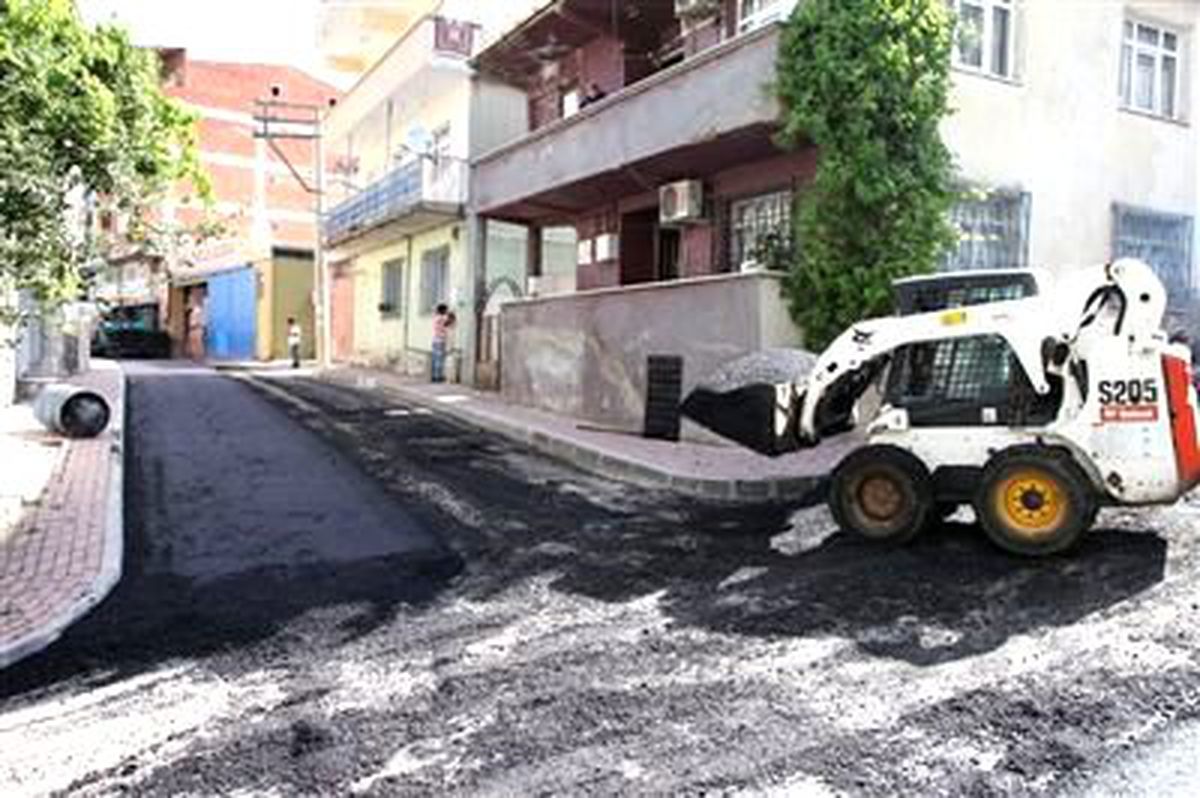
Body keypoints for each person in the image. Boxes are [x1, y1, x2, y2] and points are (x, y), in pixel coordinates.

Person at [431, 303, 456, 383]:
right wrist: (452, 316)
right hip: (440, 340)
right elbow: (449, 323)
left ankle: (434, 376)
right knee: (439, 359)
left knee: (435, 359)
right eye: (445, 310)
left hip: (435, 340)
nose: (446, 311)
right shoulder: (441, 318)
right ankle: (438, 377)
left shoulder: (435, 317)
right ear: (443, 310)